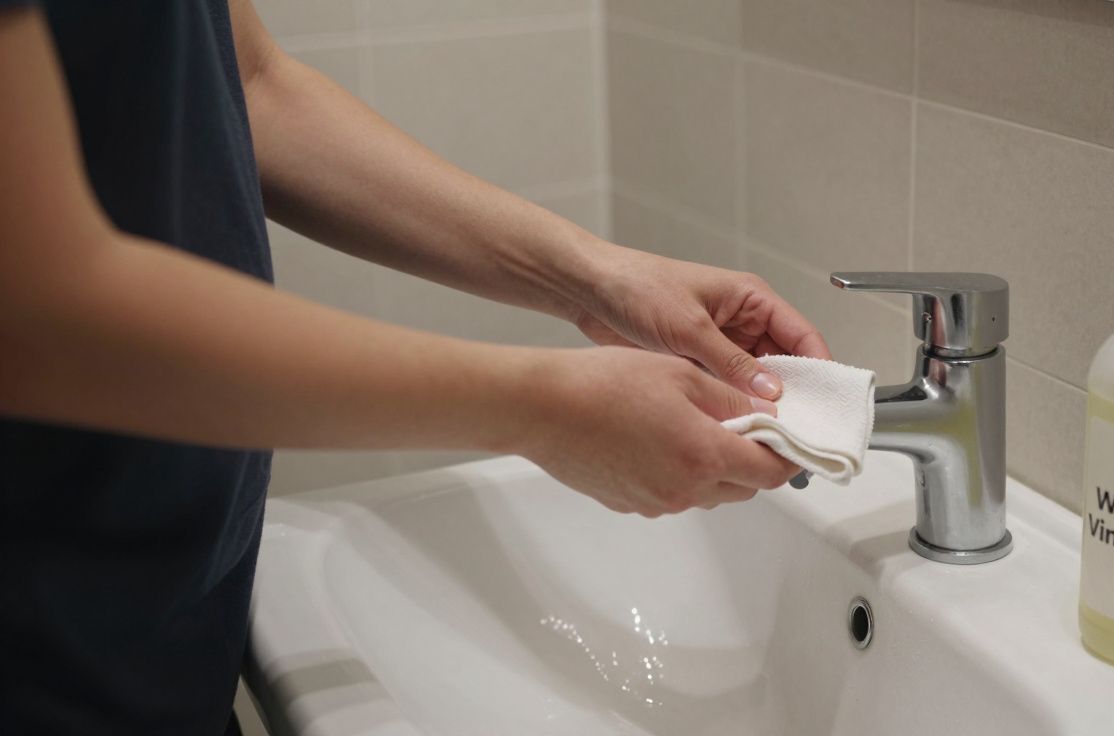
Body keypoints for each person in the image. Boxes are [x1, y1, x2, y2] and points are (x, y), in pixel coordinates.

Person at [0, 0, 832, 732]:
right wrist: (542, 409)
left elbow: (250, 84)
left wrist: (596, 277)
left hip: (158, 614)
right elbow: (35, 310)